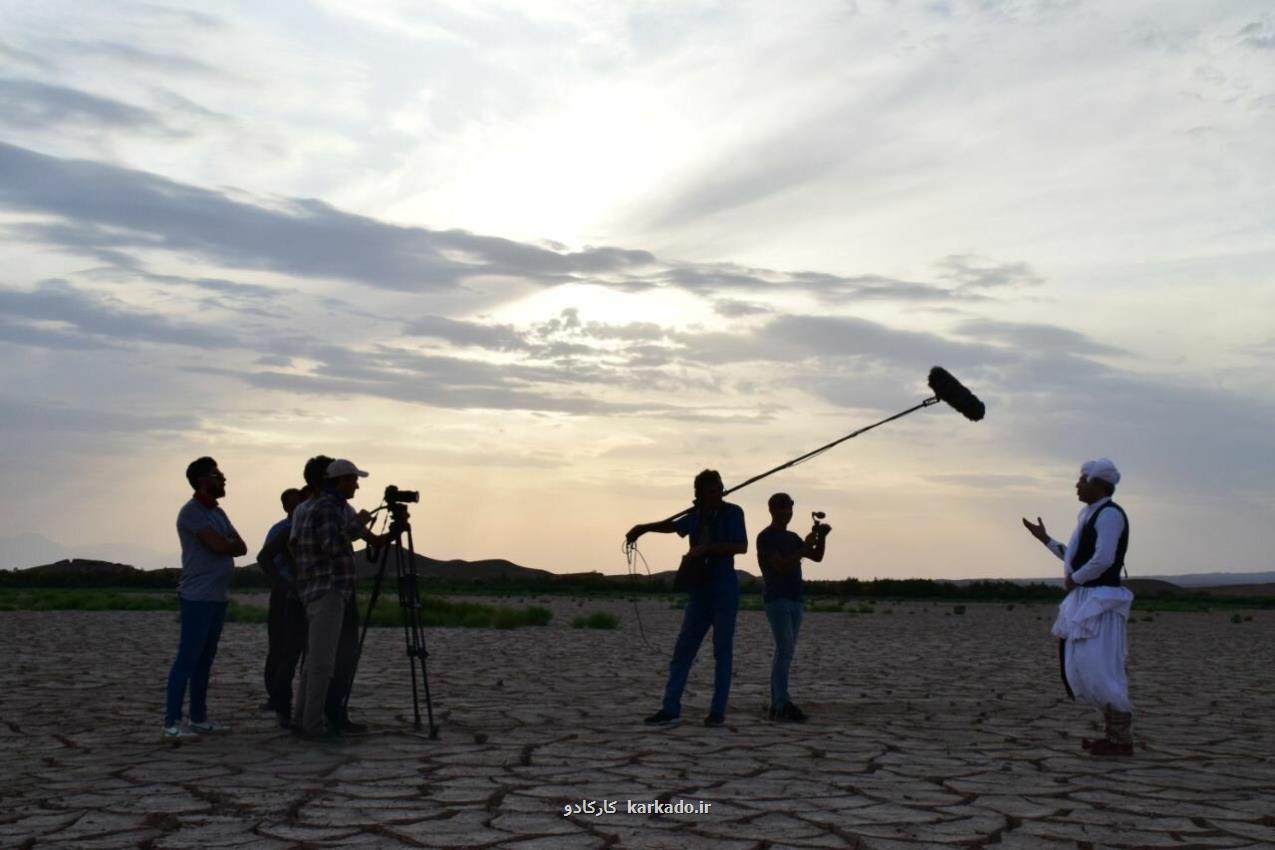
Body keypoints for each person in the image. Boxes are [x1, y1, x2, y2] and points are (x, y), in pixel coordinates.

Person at [1022, 458, 1134, 756]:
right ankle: (1112, 736)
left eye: (1083, 480)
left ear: (1100, 484)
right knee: (1082, 667)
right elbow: (1075, 557)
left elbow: (1104, 559)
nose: (1077, 484)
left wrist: (1076, 580)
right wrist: (1045, 540)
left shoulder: (1109, 515)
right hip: (1085, 599)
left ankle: (1120, 740)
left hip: (1099, 600)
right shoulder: (1088, 514)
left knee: (1099, 668)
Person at [627, 469, 747, 727]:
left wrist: (708, 548)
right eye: (711, 491)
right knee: (683, 651)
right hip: (699, 592)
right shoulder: (694, 516)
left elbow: (741, 546)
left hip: (724, 590)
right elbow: (672, 526)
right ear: (700, 494)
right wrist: (643, 528)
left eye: (719, 488)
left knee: (722, 652)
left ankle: (717, 712)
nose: (717, 493)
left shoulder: (733, 512)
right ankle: (670, 708)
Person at [291, 459, 385, 739]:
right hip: (328, 590)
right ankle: (313, 725)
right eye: (353, 480)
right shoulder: (328, 508)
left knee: (314, 661)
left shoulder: (311, 507)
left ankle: (302, 718)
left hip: (317, 590)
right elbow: (332, 545)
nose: (356, 485)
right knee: (322, 662)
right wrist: (358, 523)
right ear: (340, 480)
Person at [164, 457, 247, 739]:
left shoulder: (218, 513)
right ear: (202, 480)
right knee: (187, 659)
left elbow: (241, 546)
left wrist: (228, 545)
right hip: (197, 597)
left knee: (204, 660)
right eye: (217, 474)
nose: (223, 478)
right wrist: (227, 544)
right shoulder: (192, 512)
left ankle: (198, 717)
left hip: (217, 597)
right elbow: (221, 544)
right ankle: (172, 723)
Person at [756, 492, 829, 723]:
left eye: (789, 508)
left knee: (784, 651)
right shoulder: (766, 537)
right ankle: (781, 703)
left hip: (796, 599)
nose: (787, 512)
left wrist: (821, 537)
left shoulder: (793, 537)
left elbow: (816, 557)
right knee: (785, 650)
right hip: (777, 599)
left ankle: (777, 704)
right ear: (772, 510)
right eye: (782, 508)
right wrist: (803, 548)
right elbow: (779, 566)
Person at [256, 486, 305, 729]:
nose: (298, 506)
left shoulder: (305, 525)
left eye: (301, 501)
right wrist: (283, 583)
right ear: (286, 507)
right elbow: (266, 558)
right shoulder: (281, 530)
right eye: (293, 503)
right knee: (280, 648)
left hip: (306, 592)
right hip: (285, 592)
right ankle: (277, 699)